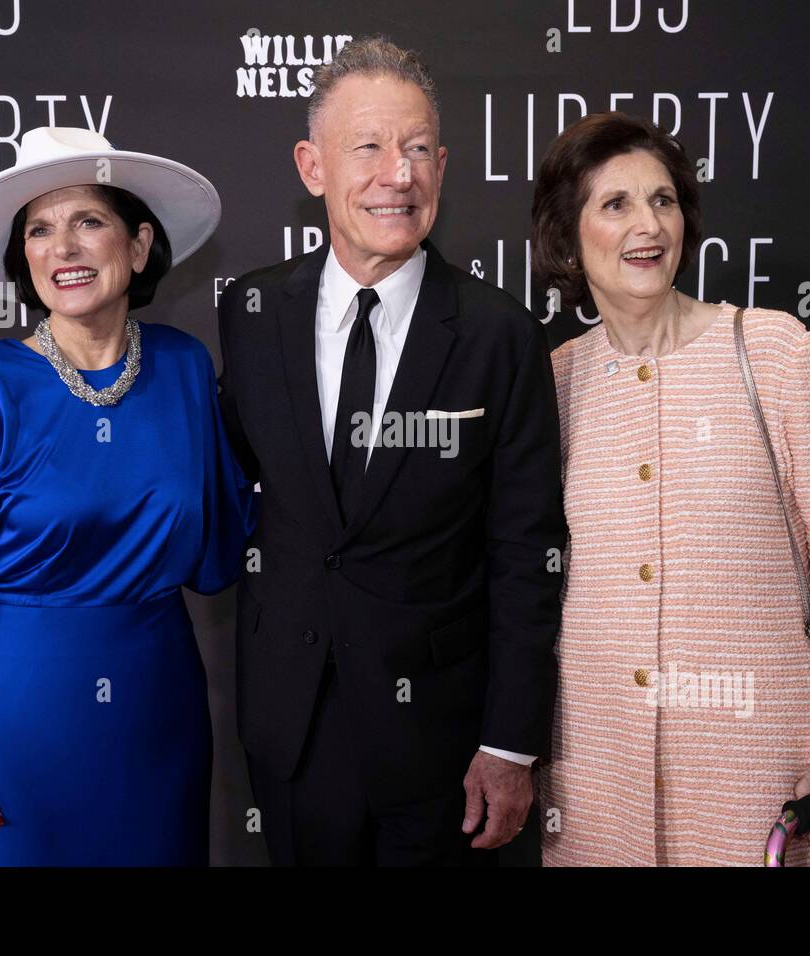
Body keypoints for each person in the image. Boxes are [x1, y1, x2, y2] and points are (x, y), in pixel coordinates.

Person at [216, 36, 565, 866]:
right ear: (313, 167)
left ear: (441, 166)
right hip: (292, 731)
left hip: (442, 743)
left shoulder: (498, 334)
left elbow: (527, 548)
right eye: (367, 147)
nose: (396, 175)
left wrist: (511, 744)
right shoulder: (253, 312)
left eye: (415, 151)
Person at [531, 112, 810, 866]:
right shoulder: (556, 385)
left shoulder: (776, 352)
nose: (647, 224)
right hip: (596, 790)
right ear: (567, 236)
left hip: (765, 780)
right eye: (615, 203)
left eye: (662, 200)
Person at [0, 126, 254, 866]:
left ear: (139, 243)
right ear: (23, 259)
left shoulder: (186, 368)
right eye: (40, 230)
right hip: (19, 726)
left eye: (88, 221)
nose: (63, 248)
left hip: (161, 713)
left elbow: (222, 552)